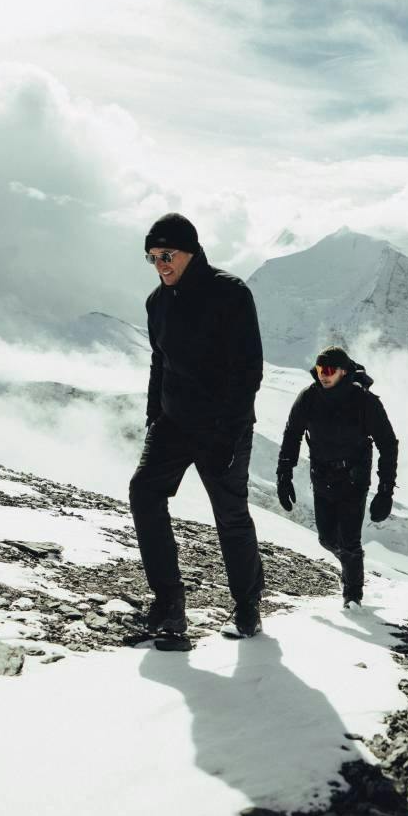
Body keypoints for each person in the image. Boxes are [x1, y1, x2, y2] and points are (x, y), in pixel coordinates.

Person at [129, 213, 265, 639]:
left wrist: (228, 433)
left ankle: (247, 607)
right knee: (143, 492)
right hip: (173, 423)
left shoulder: (230, 293)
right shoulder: (157, 302)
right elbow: (159, 360)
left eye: (166, 255)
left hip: (223, 425)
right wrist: (155, 415)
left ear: (190, 251)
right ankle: (169, 602)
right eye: (151, 257)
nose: (160, 264)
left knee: (230, 516)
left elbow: (249, 371)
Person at [275, 346, 398, 606]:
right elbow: (292, 434)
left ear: (343, 371)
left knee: (350, 540)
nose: (323, 375)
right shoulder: (308, 397)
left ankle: (352, 597)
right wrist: (283, 475)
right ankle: (351, 564)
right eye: (320, 369)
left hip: (354, 478)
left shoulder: (365, 402)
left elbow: (388, 443)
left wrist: (385, 490)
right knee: (326, 538)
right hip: (322, 476)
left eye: (329, 370)